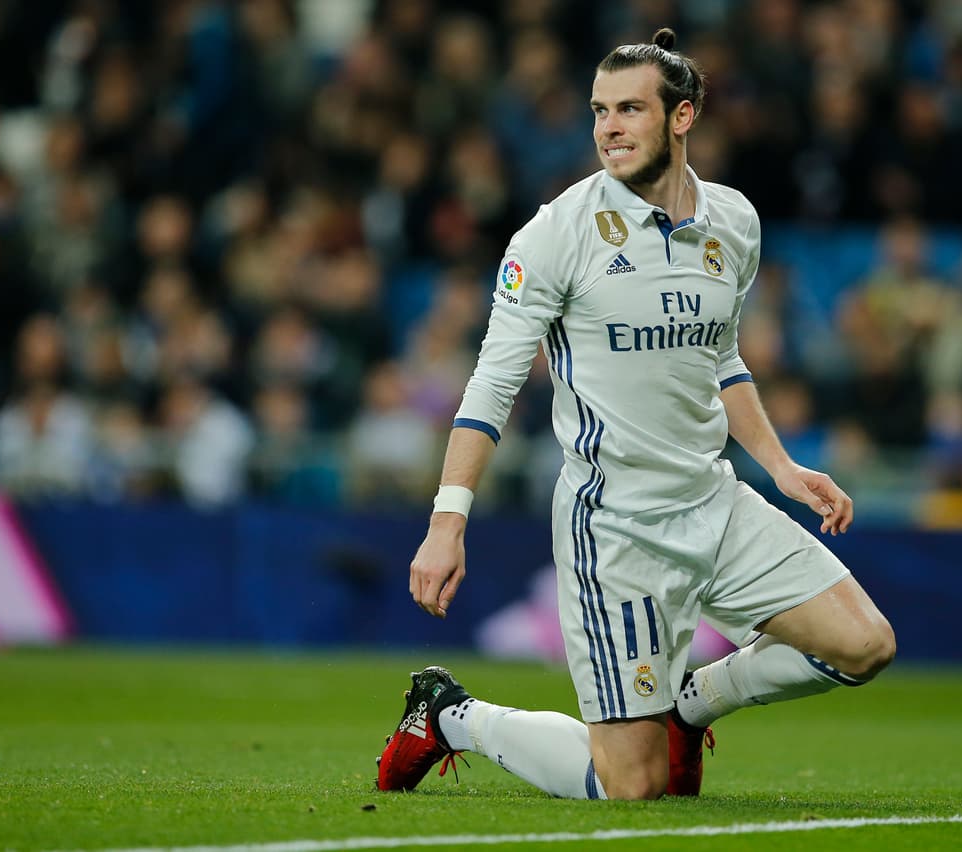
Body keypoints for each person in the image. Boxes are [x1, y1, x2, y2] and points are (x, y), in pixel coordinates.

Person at [376, 29, 895, 801]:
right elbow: (491, 383)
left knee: (864, 645)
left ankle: (692, 703)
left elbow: (719, 358)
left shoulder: (734, 222)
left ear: (681, 117)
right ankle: (453, 716)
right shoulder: (555, 233)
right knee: (634, 788)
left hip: (714, 502)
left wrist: (781, 467)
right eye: (599, 111)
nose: (608, 128)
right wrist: (448, 520)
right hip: (616, 525)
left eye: (629, 109)